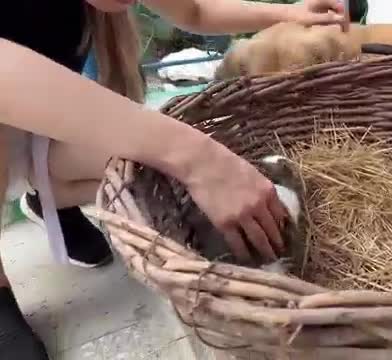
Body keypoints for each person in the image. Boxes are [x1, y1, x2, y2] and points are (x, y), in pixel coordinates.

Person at [0, 0, 345, 358]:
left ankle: (53, 200)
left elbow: (193, 11)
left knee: (151, 177)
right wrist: (194, 155)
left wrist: (288, 14)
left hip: (45, 126)